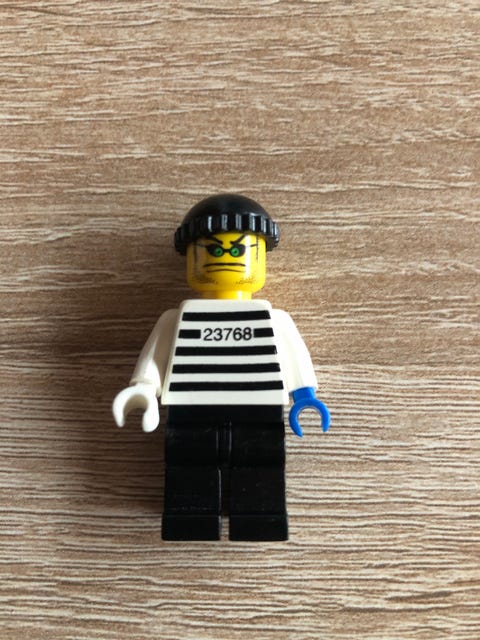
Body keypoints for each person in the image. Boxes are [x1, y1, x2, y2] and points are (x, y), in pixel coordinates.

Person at [113, 193, 330, 541]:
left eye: (239, 249)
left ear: (260, 255)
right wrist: (143, 388)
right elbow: (156, 357)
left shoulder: (274, 319)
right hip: (190, 406)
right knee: (188, 461)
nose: (227, 258)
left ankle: (260, 519)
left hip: (259, 405)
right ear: (192, 257)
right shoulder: (175, 319)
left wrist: (304, 395)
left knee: (261, 462)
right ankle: (190, 519)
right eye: (213, 250)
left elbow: (293, 354)